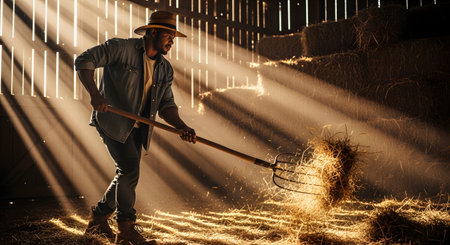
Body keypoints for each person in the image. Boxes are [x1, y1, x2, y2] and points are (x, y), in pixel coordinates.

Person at [75, 10, 196, 245]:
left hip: (139, 128)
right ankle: (126, 229)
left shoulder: (164, 68)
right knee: (129, 169)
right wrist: (95, 94)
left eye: (173, 37)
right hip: (113, 121)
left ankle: (99, 219)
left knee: (125, 173)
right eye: (168, 35)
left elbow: (166, 105)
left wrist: (182, 126)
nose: (172, 41)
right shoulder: (121, 48)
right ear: (152, 32)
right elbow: (84, 60)